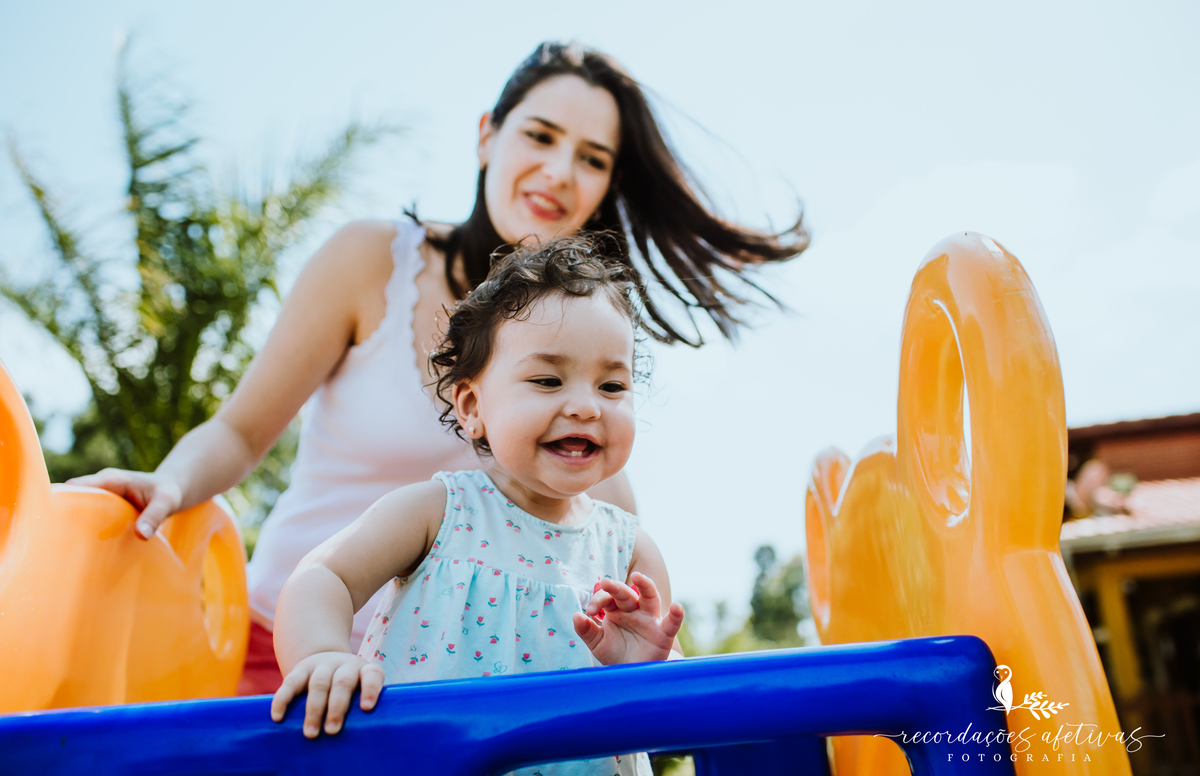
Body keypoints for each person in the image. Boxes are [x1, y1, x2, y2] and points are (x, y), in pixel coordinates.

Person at [67, 41, 807, 694]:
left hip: (443, 707)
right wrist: (169, 481)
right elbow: (237, 431)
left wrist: (644, 657)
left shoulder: (599, 466)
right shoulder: (373, 261)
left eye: (592, 159)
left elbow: (619, 641)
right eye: (541, 136)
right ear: (488, 136)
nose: (558, 171)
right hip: (288, 648)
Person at [270, 236, 684, 776]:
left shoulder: (630, 552)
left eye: (612, 385)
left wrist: (646, 673)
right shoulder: (437, 512)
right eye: (548, 380)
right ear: (473, 408)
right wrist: (321, 655)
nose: (588, 405)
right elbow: (323, 576)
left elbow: (674, 728)